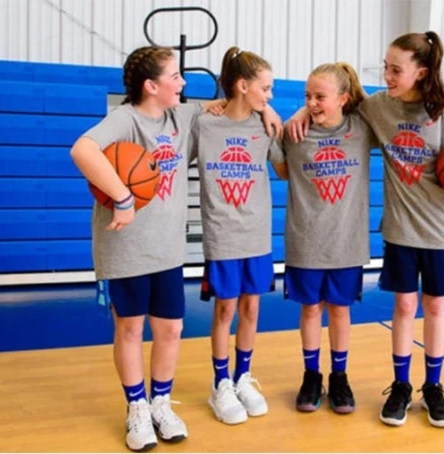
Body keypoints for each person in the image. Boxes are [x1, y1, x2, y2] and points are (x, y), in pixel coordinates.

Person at [288, 31, 444, 428]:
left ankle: (434, 387)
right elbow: (335, 101)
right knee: (404, 307)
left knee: (435, 308)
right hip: (399, 229)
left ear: (421, 72)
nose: (387, 76)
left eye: (395, 70)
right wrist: (302, 111)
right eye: (385, 67)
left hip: (440, 230)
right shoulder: (378, 107)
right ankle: (401, 386)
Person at [70, 45, 281, 451]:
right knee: (130, 328)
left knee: (170, 330)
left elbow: (234, 102)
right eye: (175, 76)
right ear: (152, 86)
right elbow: (82, 149)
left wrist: (267, 109)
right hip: (125, 247)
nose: (183, 82)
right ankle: (137, 407)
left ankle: (161, 404)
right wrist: (123, 197)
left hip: (167, 250)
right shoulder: (126, 119)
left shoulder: (182, 116)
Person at [190, 46, 288, 426]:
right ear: (242, 85)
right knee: (225, 309)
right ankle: (220, 384)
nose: (270, 95)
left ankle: (242, 377)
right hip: (223, 234)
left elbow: (283, 171)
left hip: (257, 234)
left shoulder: (265, 125)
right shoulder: (205, 124)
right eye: (266, 88)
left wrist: (274, 120)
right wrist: (206, 105)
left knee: (251, 308)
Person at [280, 62, 378, 414]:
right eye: (307, 96)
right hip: (305, 240)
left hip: (346, 241)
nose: (312, 102)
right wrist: (299, 113)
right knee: (310, 309)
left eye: (320, 96)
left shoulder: (362, 129)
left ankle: (339, 376)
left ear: (343, 98)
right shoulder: (293, 133)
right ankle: (311, 376)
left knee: (339, 310)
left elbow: (395, 110)